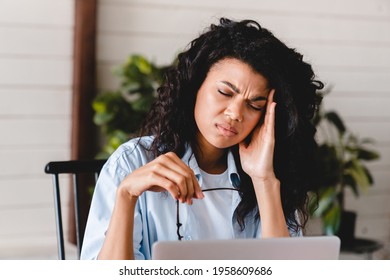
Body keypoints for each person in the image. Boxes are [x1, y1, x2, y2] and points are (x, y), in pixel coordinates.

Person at [80, 17, 323, 260]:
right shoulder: (131, 162)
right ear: (195, 85)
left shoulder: (271, 173)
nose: (235, 114)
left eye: (254, 105)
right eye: (224, 92)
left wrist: (264, 180)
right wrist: (127, 195)